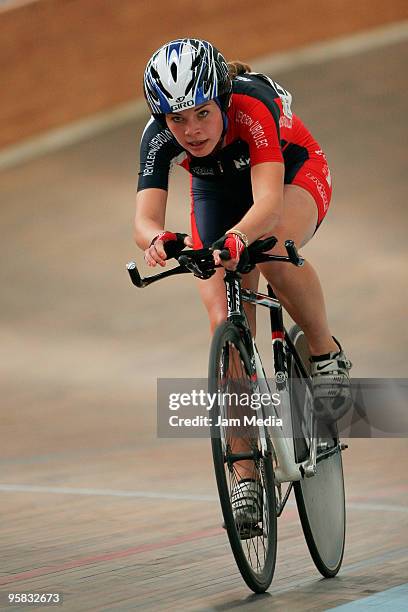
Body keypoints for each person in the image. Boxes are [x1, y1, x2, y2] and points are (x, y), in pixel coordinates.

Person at [134, 38, 352, 523]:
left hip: (293, 173)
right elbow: (143, 221)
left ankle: (324, 350)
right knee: (224, 329)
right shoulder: (156, 134)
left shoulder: (251, 106)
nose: (190, 130)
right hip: (217, 193)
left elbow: (268, 203)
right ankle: (247, 477)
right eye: (176, 120)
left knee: (269, 250)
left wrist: (237, 240)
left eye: (201, 114)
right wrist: (160, 240)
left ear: (222, 99)